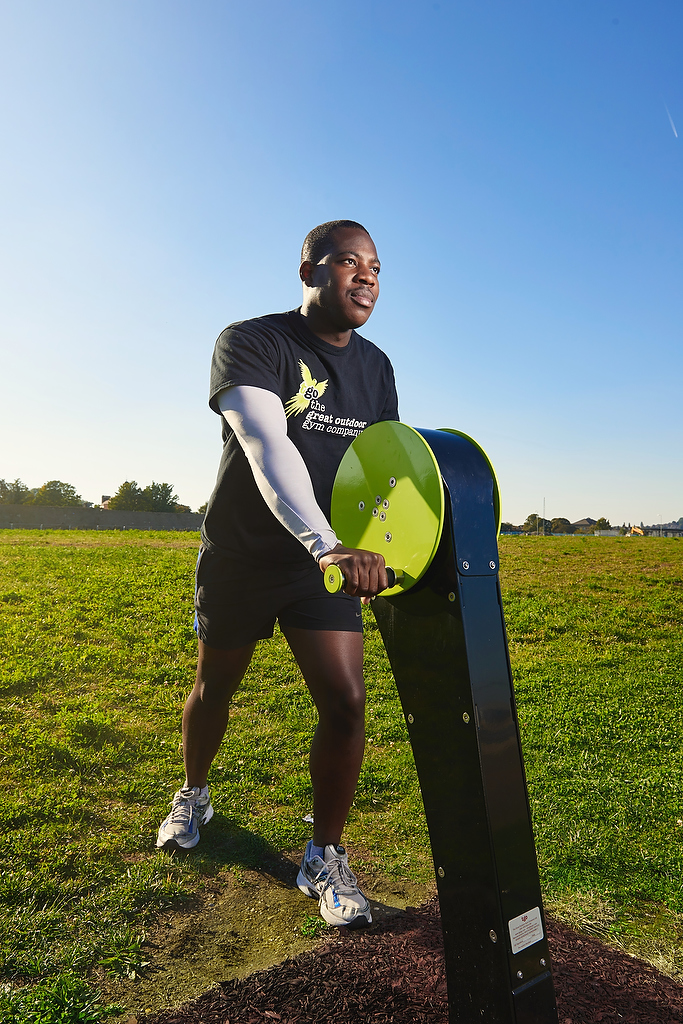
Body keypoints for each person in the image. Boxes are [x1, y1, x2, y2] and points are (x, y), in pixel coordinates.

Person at [156, 220, 398, 928]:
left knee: (346, 703)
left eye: (376, 268)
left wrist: (379, 545)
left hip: (321, 567)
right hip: (243, 555)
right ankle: (194, 791)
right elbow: (267, 443)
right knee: (214, 687)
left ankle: (323, 853)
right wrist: (325, 542)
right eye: (348, 261)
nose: (366, 276)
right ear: (309, 270)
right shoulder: (252, 341)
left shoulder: (377, 367)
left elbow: (381, 468)